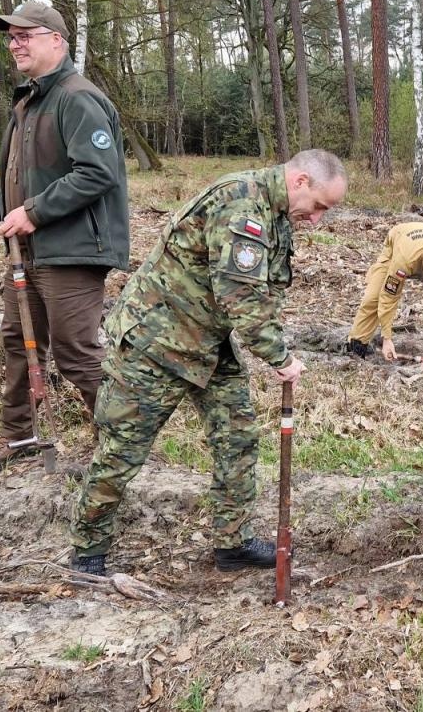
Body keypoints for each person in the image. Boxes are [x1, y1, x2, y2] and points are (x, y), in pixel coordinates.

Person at [67, 150, 348, 577]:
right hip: (155, 342)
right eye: (319, 207)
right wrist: (279, 356)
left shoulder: (276, 213)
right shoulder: (241, 204)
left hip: (207, 342)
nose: (317, 220)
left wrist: (271, 341)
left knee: (238, 437)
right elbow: (241, 295)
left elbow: (266, 292)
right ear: (301, 181)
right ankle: (88, 551)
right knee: (123, 450)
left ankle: (231, 543)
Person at [0, 1, 130, 475]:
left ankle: (120, 446)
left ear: (57, 40)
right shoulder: (28, 102)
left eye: (26, 34)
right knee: (18, 342)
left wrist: (32, 212)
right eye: (11, 37)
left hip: (72, 250)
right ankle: (21, 436)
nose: (15, 44)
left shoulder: (77, 98)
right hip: (27, 249)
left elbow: (97, 173)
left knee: (76, 352)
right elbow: (19, 178)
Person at [345, 221, 423, 366]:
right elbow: (389, 297)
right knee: (374, 297)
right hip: (400, 239)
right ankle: (356, 345)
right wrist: (387, 338)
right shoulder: (404, 259)